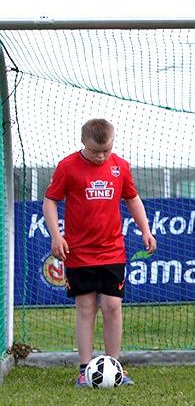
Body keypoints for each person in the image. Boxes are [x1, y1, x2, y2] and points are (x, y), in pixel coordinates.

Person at [43, 118, 157, 387]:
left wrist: (146, 230)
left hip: (112, 251)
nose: (102, 155)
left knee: (113, 306)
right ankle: (85, 370)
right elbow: (50, 200)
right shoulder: (67, 167)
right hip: (79, 252)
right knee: (85, 307)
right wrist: (56, 236)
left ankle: (114, 366)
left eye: (107, 149)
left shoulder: (120, 166)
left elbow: (132, 198)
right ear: (84, 142)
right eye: (96, 151)